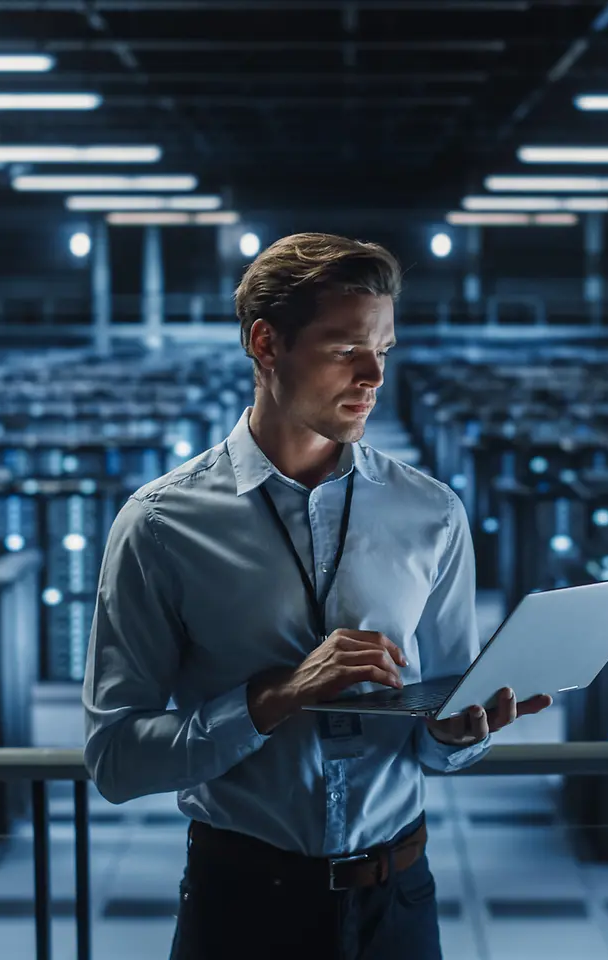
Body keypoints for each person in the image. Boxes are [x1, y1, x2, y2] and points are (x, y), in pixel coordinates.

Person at [82, 232, 552, 960]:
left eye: (383, 350)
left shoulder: (431, 512)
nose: (374, 376)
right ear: (266, 344)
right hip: (242, 907)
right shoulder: (162, 524)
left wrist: (461, 734)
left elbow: (441, 733)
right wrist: (274, 698)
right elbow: (115, 759)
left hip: (398, 903)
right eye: (346, 349)